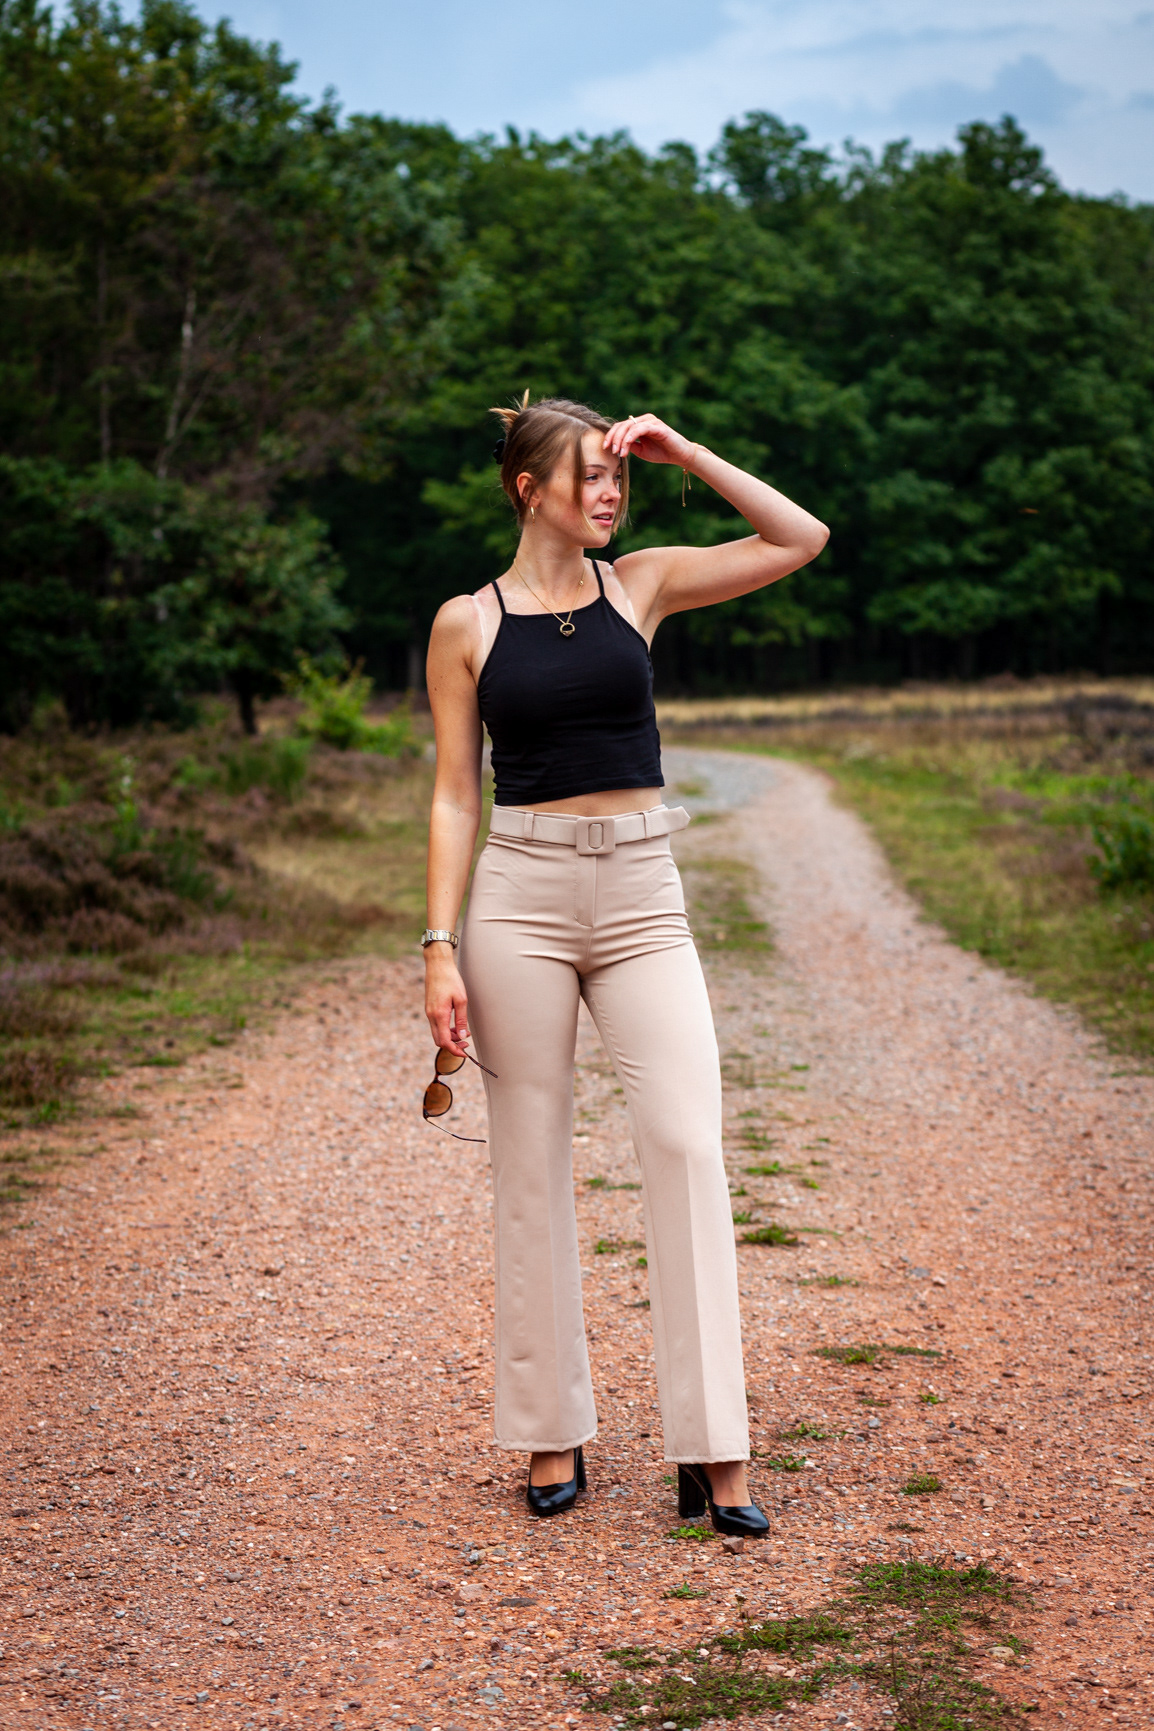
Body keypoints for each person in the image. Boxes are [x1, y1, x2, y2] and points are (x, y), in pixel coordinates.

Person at [422, 395, 828, 1529]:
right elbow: (454, 795)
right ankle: (549, 1430)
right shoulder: (466, 623)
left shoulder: (638, 586)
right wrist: (438, 946)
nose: (610, 494)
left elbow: (799, 538)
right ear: (528, 490)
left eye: (619, 478)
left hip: (644, 893)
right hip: (520, 898)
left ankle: (714, 1446)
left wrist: (685, 451)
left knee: (687, 1143)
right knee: (530, 1161)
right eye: (590, 477)